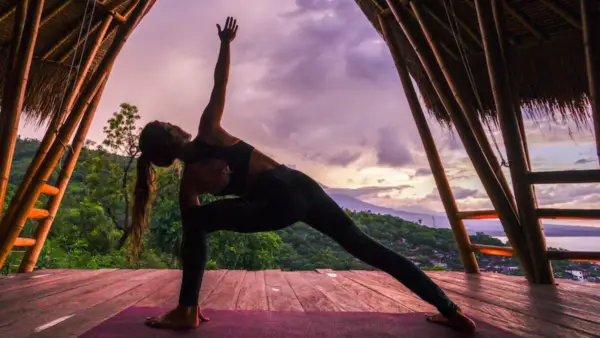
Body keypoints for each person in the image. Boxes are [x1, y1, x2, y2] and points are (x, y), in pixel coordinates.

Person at [134, 17, 476, 334]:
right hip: (299, 184)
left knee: (196, 224)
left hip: (278, 200)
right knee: (368, 248)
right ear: (174, 134)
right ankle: (450, 310)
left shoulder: (190, 179)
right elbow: (219, 83)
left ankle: (187, 309)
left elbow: (192, 229)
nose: (172, 123)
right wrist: (225, 44)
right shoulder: (208, 131)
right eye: (167, 125)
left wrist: (211, 193)